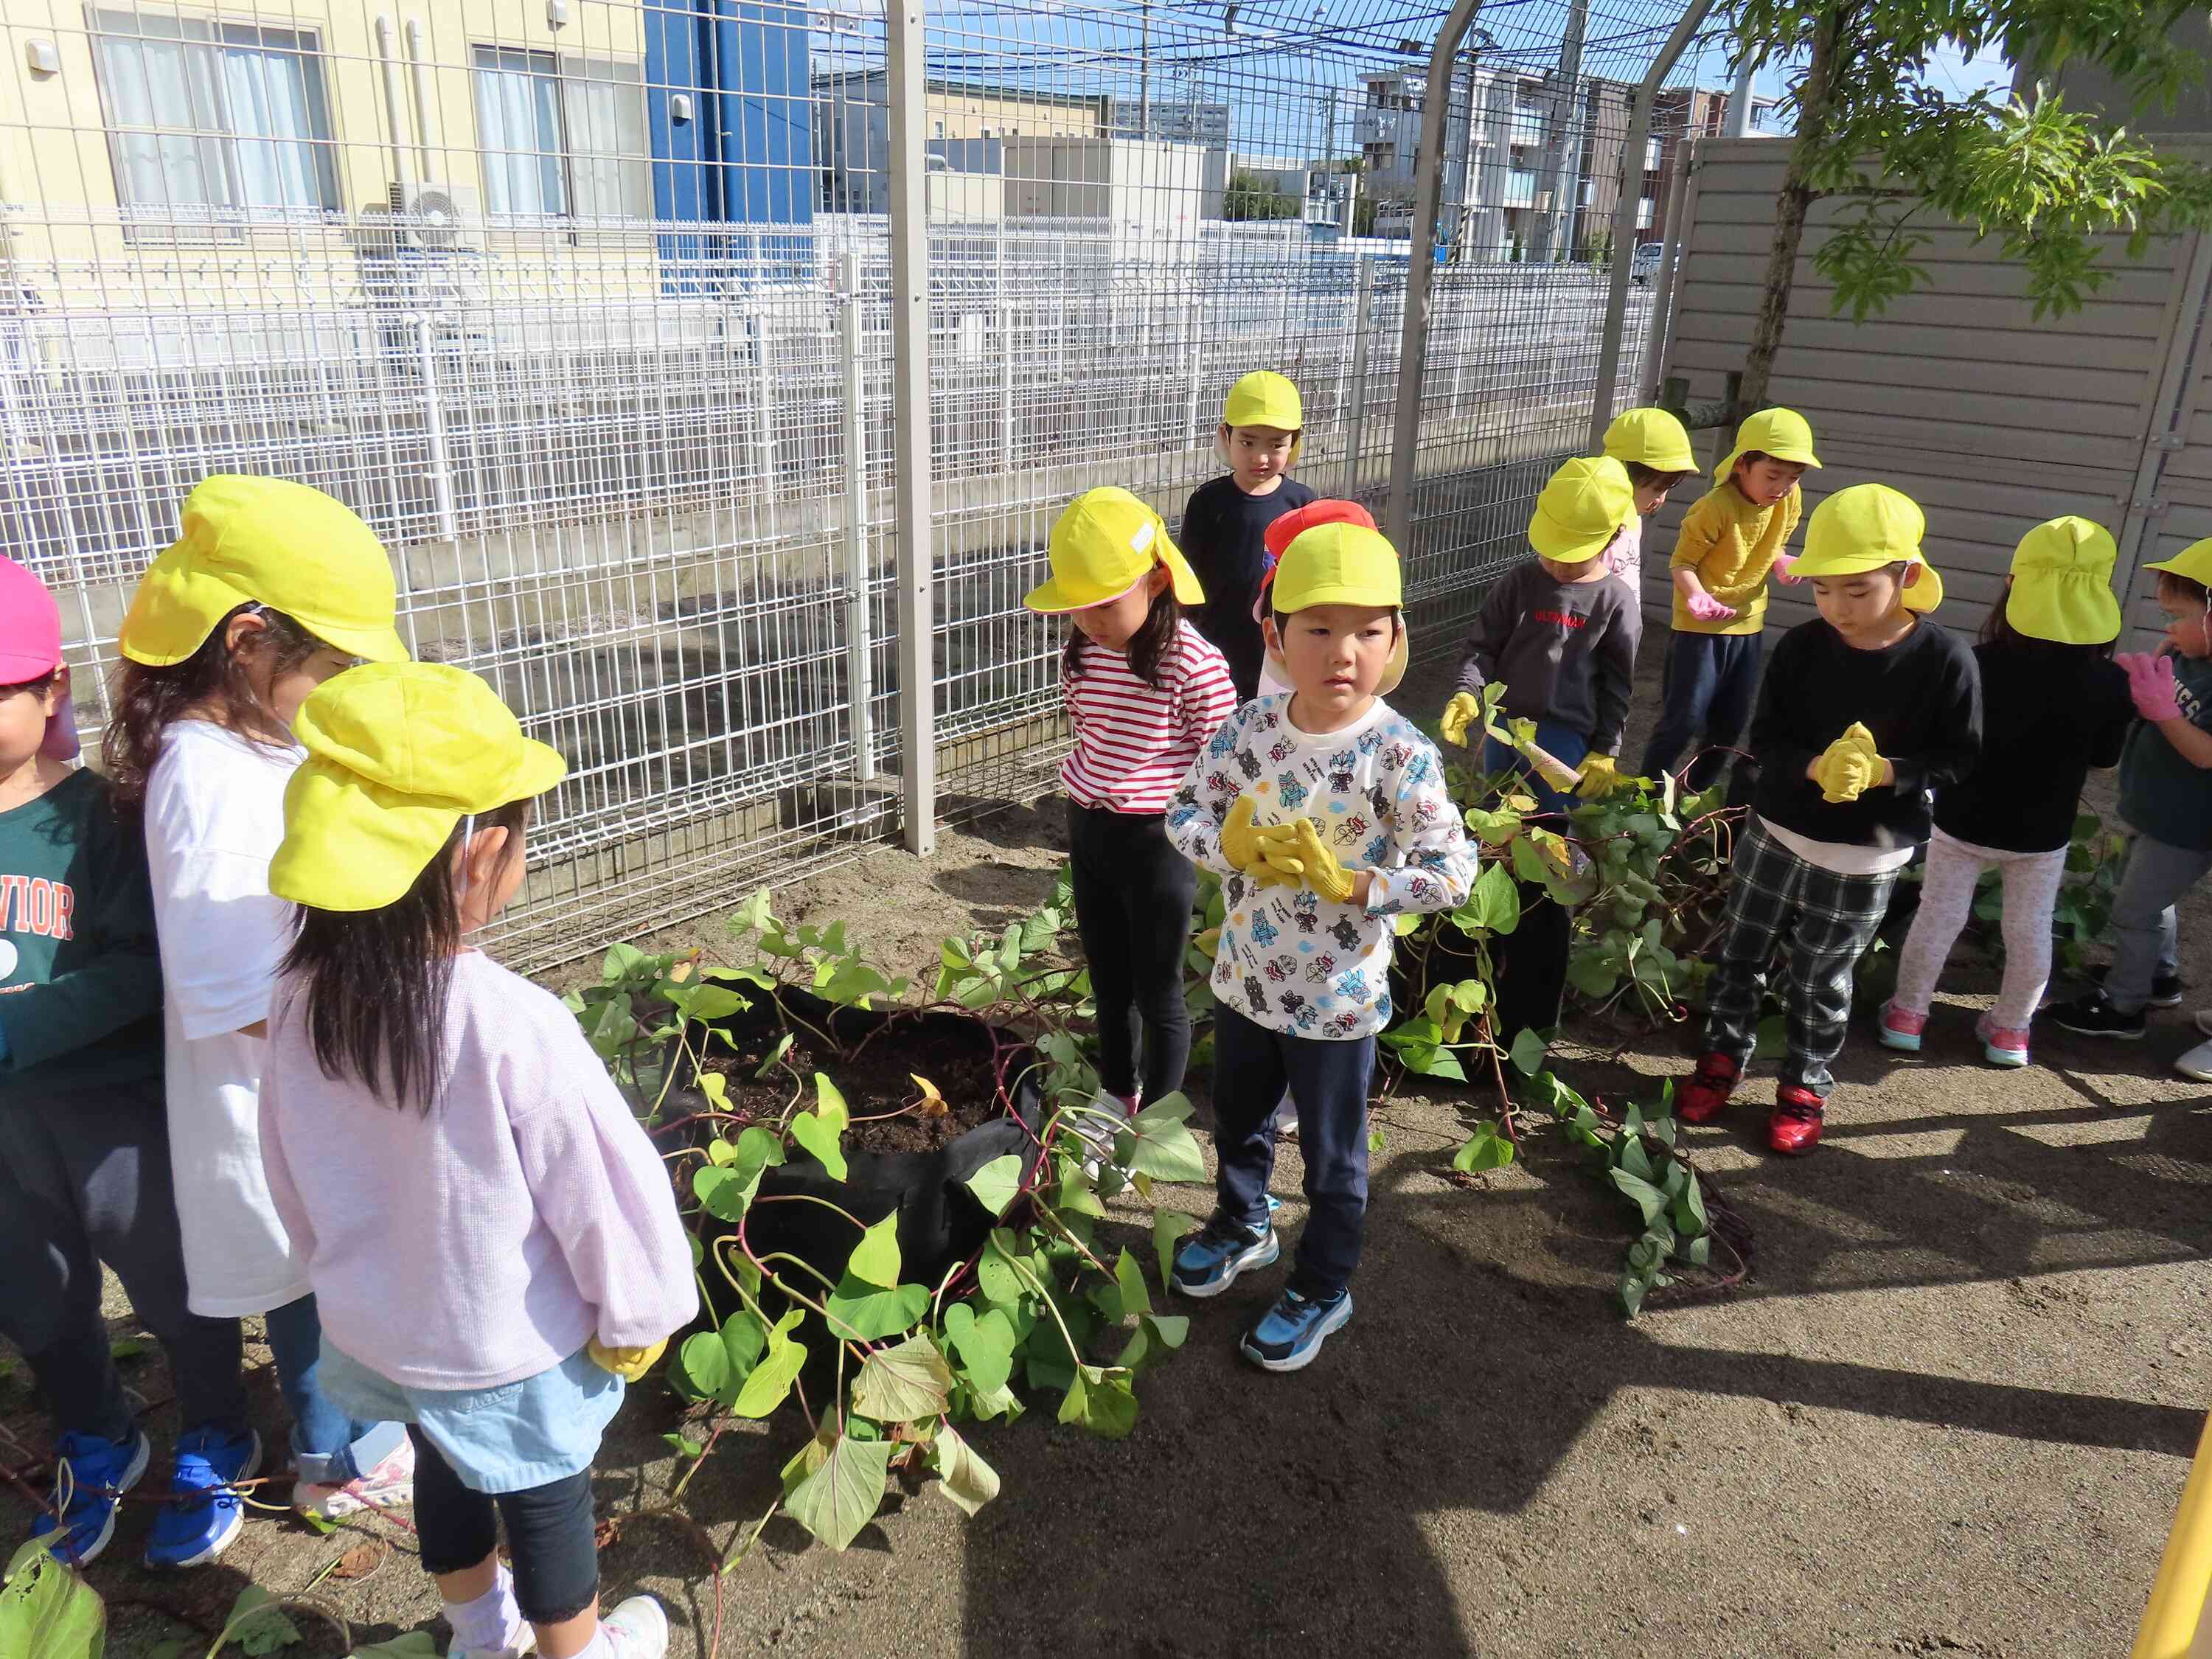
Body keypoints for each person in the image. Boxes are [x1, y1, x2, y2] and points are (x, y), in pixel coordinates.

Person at [260, 661, 691, 1659]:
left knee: (442, 1472)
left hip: (381, 1328)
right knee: (546, 1499)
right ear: (482, 851)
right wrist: (639, 1311)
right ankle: (577, 1651)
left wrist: (331, 1269)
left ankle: (479, 1633)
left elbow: (284, 1164)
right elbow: (600, 1190)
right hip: (504, 1342)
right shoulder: (510, 1020)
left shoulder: (296, 998)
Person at [105, 475, 414, 1564]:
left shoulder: (255, 745)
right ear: (246, 641)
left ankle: (343, 1433)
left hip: (296, 1084)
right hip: (272, 1092)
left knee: (320, 1269)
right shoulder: (207, 780)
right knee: (310, 1285)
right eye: (332, 665)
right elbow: (231, 991)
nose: (345, 686)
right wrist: (364, 1038)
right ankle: (341, 1458)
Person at [1164, 522, 1476, 1370]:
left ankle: (1323, 1285)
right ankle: (1243, 1222)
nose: (1345, 652)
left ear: (1396, 639)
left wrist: (1363, 886)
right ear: (1275, 636)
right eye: (1320, 629)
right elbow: (1184, 812)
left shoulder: (1399, 756)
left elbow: (1454, 873)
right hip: (1245, 982)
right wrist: (1228, 849)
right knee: (1238, 1119)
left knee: (1335, 1162)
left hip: (1337, 1006)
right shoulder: (1251, 731)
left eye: (1369, 631)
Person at [0, 557, 253, 1568]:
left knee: (170, 1280)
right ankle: (97, 1437)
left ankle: (217, 1429)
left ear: (51, 689)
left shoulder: (98, 821)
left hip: (108, 1115)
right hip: (7, 1139)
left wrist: (21, 1027)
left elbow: (147, 966)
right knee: (34, 1295)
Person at [1676, 484, 1980, 1155]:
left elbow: (1959, 759)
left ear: (1908, 576)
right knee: (1740, 953)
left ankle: (1804, 1089)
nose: (1838, 607)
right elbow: (1767, 738)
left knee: (1821, 977)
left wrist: (1886, 772)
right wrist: (1814, 767)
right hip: (1778, 831)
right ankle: (1720, 1059)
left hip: (1865, 853)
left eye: (1858, 590)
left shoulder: (1945, 660)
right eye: (1823, 589)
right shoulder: (1802, 647)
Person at [1882, 519, 2132, 1067]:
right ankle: (2011, 1031)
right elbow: (2104, 761)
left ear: (2014, 584)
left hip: (1963, 818)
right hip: (2043, 832)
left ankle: (1907, 1015)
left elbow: (1947, 740)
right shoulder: (2111, 681)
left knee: (1939, 914)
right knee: (2030, 929)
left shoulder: (1979, 661)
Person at [1023, 487, 1237, 1125]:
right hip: (1089, 826)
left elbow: (1221, 757)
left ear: (1156, 581)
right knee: (1107, 979)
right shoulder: (1085, 651)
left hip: (1155, 841)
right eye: (1078, 606)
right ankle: (1118, 1093)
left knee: (1159, 988)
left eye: (1106, 603)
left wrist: (1204, 831)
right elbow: (1088, 728)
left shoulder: (1192, 663)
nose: (1090, 620)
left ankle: (1158, 1121)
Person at [1438, 456, 1641, 1041]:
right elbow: (1482, 648)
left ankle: (1534, 1006)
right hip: (1504, 734)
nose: (1557, 562)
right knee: (1492, 844)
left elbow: (1619, 686)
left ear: (1612, 536)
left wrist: (1605, 749)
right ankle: (1480, 974)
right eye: (1551, 549)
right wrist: (1467, 693)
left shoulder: (1615, 602)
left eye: (1571, 554)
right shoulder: (1520, 583)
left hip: (1563, 747)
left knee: (1550, 865)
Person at [2049, 536, 2212, 1063]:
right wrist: (2136, 686)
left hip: (2185, 826)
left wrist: (2164, 711)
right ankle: (2158, 977)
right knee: (2148, 900)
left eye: (2178, 616)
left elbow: (2206, 755)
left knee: (2134, 911)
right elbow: (2152, 699)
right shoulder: (2185, 654)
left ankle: (2124, 1006)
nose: (2168, 627)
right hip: (2151, 807)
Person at [1638, 408, 1821, 795]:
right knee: (1684, 719)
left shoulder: (1790, 499)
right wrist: (1697, 596)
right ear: (1742, 464)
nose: (1782, 486)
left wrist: (1783, 562)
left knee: (1731, 723)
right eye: (1772, 475)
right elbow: (1682, 565)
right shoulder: (1714, 507)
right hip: (1699, 626)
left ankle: (1695, 796)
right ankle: (1645, 795)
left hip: (1747, 622)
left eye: (1793, 477)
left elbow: (1776, 545)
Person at [1178, 372, 1317, 700]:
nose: (1261, 457)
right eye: (1248, 442)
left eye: (1276, 444)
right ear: (1225, 436)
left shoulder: (1302, 503)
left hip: (1276, 642)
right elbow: (1187, 575)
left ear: (1294, 443)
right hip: (1215, 640)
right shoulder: (1207, 502)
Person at [1597, 406, 1700, 595]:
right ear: (1623, 471)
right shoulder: (1597, 522)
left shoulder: (1634, 519)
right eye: (1657, 489)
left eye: (1668, 488)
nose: (1661, 499)